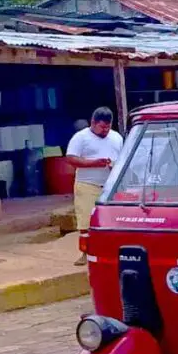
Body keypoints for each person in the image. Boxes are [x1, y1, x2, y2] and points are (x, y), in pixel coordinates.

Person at [66, 107, 123, 265]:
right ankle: (86, 253)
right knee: (86, 222)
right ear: (93, 123)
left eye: (108, 127)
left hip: (111, 186)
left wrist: (115, 166)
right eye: (102, 127)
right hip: (87, 185)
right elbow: (71, 158)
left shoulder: (117, 137)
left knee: (113, 221)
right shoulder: (81, 137)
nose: (105, 130)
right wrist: (93, 163)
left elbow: (123, 157)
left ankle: (111, 251)